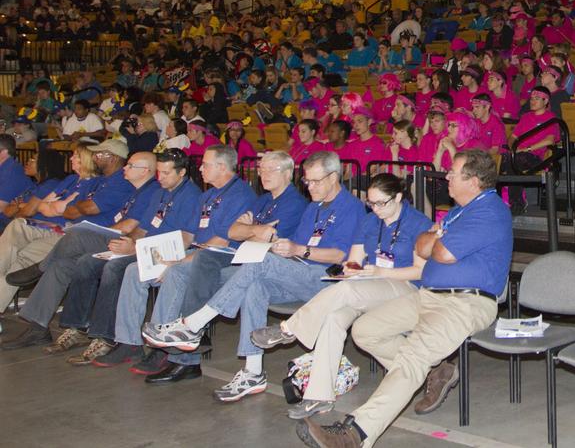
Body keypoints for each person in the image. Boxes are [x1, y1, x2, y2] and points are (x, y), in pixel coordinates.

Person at [298, 149, 510, 448]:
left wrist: (437, 239)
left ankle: (355, 434)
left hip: (466, 302)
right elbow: (423, 245)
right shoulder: (457, 211)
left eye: (453, 172)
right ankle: (436, 371)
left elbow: (441, 251)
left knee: (412, 357)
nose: (446, 175)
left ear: (473, 181)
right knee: (365, 330)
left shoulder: (489, 210)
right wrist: (436, 239)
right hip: (428, 295)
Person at [141, 150, 363, 401]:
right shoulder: (314, 206)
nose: (309, 187)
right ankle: (253, 372)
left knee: (261, 261)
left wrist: (298, 249)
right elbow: (255, 236)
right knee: (255, 285)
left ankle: (192, 325)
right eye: (307, 181)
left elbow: (341, 255)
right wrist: (283, 245)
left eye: (315, 181)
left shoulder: (351, 207)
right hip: (298, 271)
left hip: (325, 279)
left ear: (333, 178)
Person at [99, 150, 304, 375]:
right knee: (134, 270)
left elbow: (232, 240)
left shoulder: (251, 197)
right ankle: (139, 341)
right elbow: (227, 231)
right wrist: (252, 230)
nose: (200, 169)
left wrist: (181, 260)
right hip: (208, 254)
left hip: (229, 260)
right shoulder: (255, 199)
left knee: (180, 270)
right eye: (261, 168)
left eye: (269, 169)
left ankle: (171, 347)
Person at [250, 173, 432, 419]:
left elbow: (419, 270)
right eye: (371, 203)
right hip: (369, 286)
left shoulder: (418, 223)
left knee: (346, 291)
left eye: (382, 203)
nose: (376, 209)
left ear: (398, 197)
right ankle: (319, 396)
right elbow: (355, 260)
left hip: (405, 286)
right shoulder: (369, 222)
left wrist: (381, 271)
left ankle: (288, 329)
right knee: (333, 317)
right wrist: (351, 270)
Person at [0, 151, 171, 352]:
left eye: (130, 166)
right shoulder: (134, 190)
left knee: (78, 234)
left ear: (145, 171)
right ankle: (40, 327)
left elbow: (130, 226)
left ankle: (40, 267)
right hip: (115, 239)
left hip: (129, 243)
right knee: (61, 265)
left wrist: (103, 232)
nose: (124, 168)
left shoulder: (151, 191)